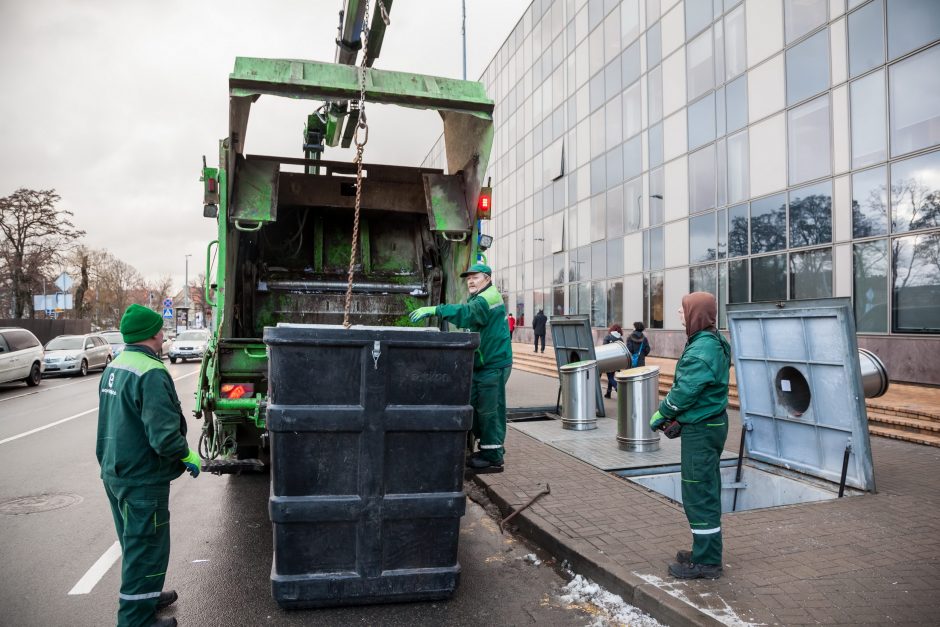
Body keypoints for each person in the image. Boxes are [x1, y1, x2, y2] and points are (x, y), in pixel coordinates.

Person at [97, 304, 201, 627]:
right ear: (155, 333)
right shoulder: (152, 373)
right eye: (160, 327)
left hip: (115, 471)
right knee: (146, 549)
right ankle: (135, 621)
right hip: (142, 479)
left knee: (133, 543)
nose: (163, 331)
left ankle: (147, 595)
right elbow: (164, 435)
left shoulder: (116, 366)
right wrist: (187, 455)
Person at [650, 292, 731, 580]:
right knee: (706, 489)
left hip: (702, 431)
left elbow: (684, 391)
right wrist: (682, 420)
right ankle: (703, 550)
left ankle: (707, 562)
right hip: (710, 424)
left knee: (698, 494)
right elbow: (703, 393)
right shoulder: (713, 341)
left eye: (684, 311)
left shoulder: (700, 350)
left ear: (696, 314)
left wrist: (663, 413)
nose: (679, 314)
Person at [409, 264, 513, 473]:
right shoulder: (478, 298)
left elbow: (467, 314)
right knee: (476, 407)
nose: (471, 281)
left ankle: (493, 457)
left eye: (475, 278)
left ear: (487, 278)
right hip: (482, 366)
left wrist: (436, 309)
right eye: (468, 279)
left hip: (493, 365)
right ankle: (487, 450)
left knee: (490, 411)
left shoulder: (487, 298)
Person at [602, 324, 623, 398]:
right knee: (611, 377)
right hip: (617, 360)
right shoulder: (620, 339)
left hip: (609, 359)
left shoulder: (608, 337)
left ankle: (618, 388)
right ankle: (608, 393)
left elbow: (604, 348)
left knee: (610, 378)